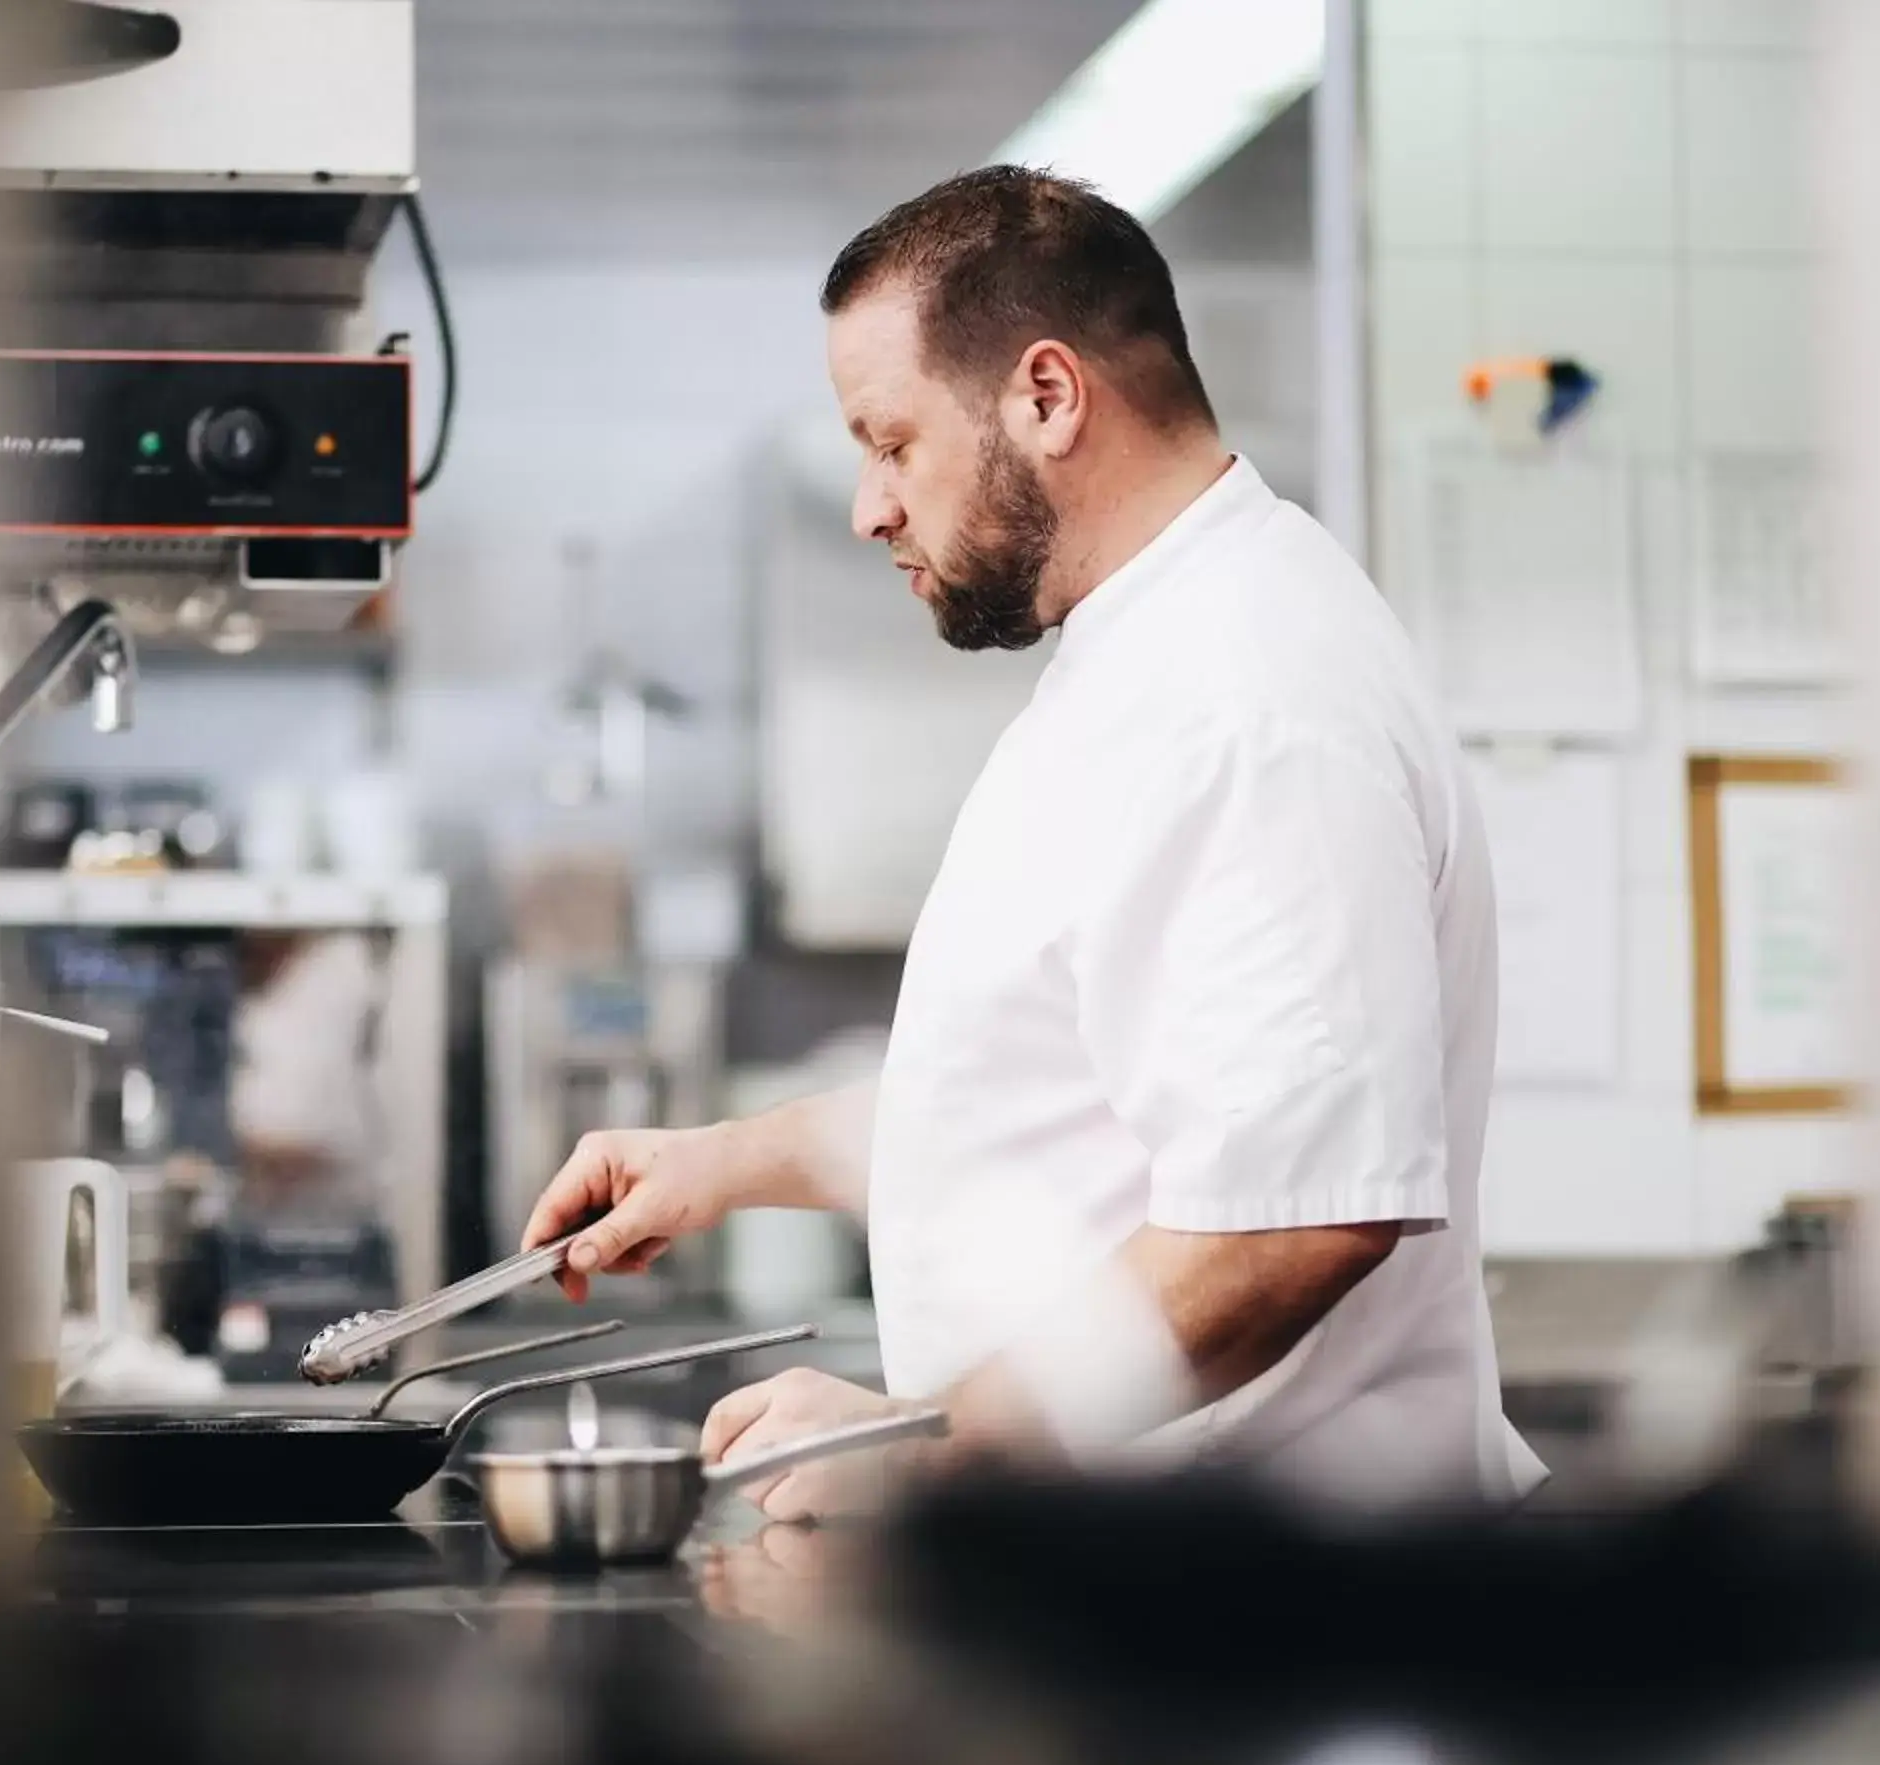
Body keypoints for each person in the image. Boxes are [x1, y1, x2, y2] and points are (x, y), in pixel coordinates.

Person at [521, 167, 1542, 1518]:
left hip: (1272, 1600)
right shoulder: (1148, 655)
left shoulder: (1249, 693)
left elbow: (1290, 1225)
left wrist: (931, 1450)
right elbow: (1053, 1097)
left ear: (1048, 397)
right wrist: (721, 1163)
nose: (868, 507)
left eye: (891, 444)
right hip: (1163, 1577)